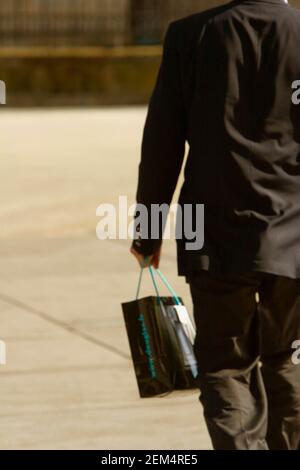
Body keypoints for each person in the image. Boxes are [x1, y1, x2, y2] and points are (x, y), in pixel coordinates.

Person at [130, 0, 300, 450]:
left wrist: (147, 232)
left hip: (210, 230)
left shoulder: (190, 36)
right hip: (293, 231)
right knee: (288, 356)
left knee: (225, 366)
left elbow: (161, 143)